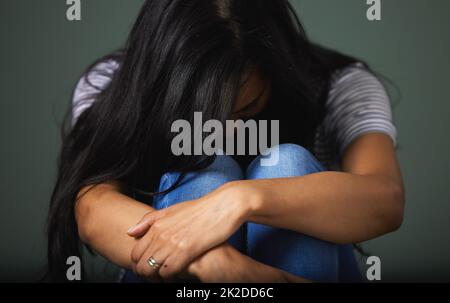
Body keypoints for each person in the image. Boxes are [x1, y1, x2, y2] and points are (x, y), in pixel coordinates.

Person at [47, 0, 404, 282]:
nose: (226, 129)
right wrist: (213, 262)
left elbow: (385, 200)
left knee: (285, 164)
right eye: (202, 114)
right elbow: (93, 208)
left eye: (244, 107)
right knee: (205, 172)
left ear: (275, 69)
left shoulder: (339, 85)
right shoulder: (111, 83)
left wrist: (240, 201)